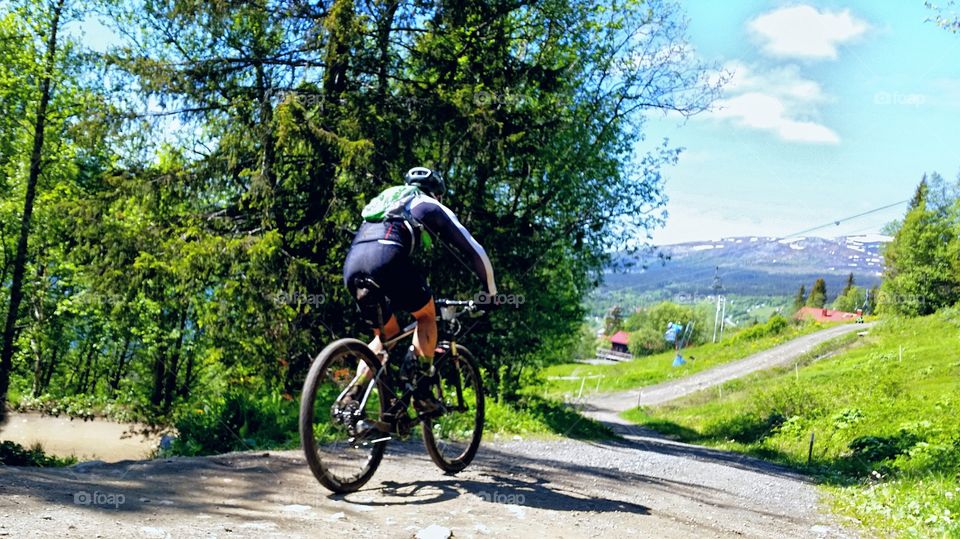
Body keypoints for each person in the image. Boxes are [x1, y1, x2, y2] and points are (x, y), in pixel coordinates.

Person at [341, 166, 497, 413]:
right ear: (437, 194)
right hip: (386, 257)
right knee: (426, 315)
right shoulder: (427, 203)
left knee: (386, 336)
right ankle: (422, 392)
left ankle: (352, 395)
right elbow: (472, 249)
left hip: (353, 263)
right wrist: (490, 293)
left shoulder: (387, 198)